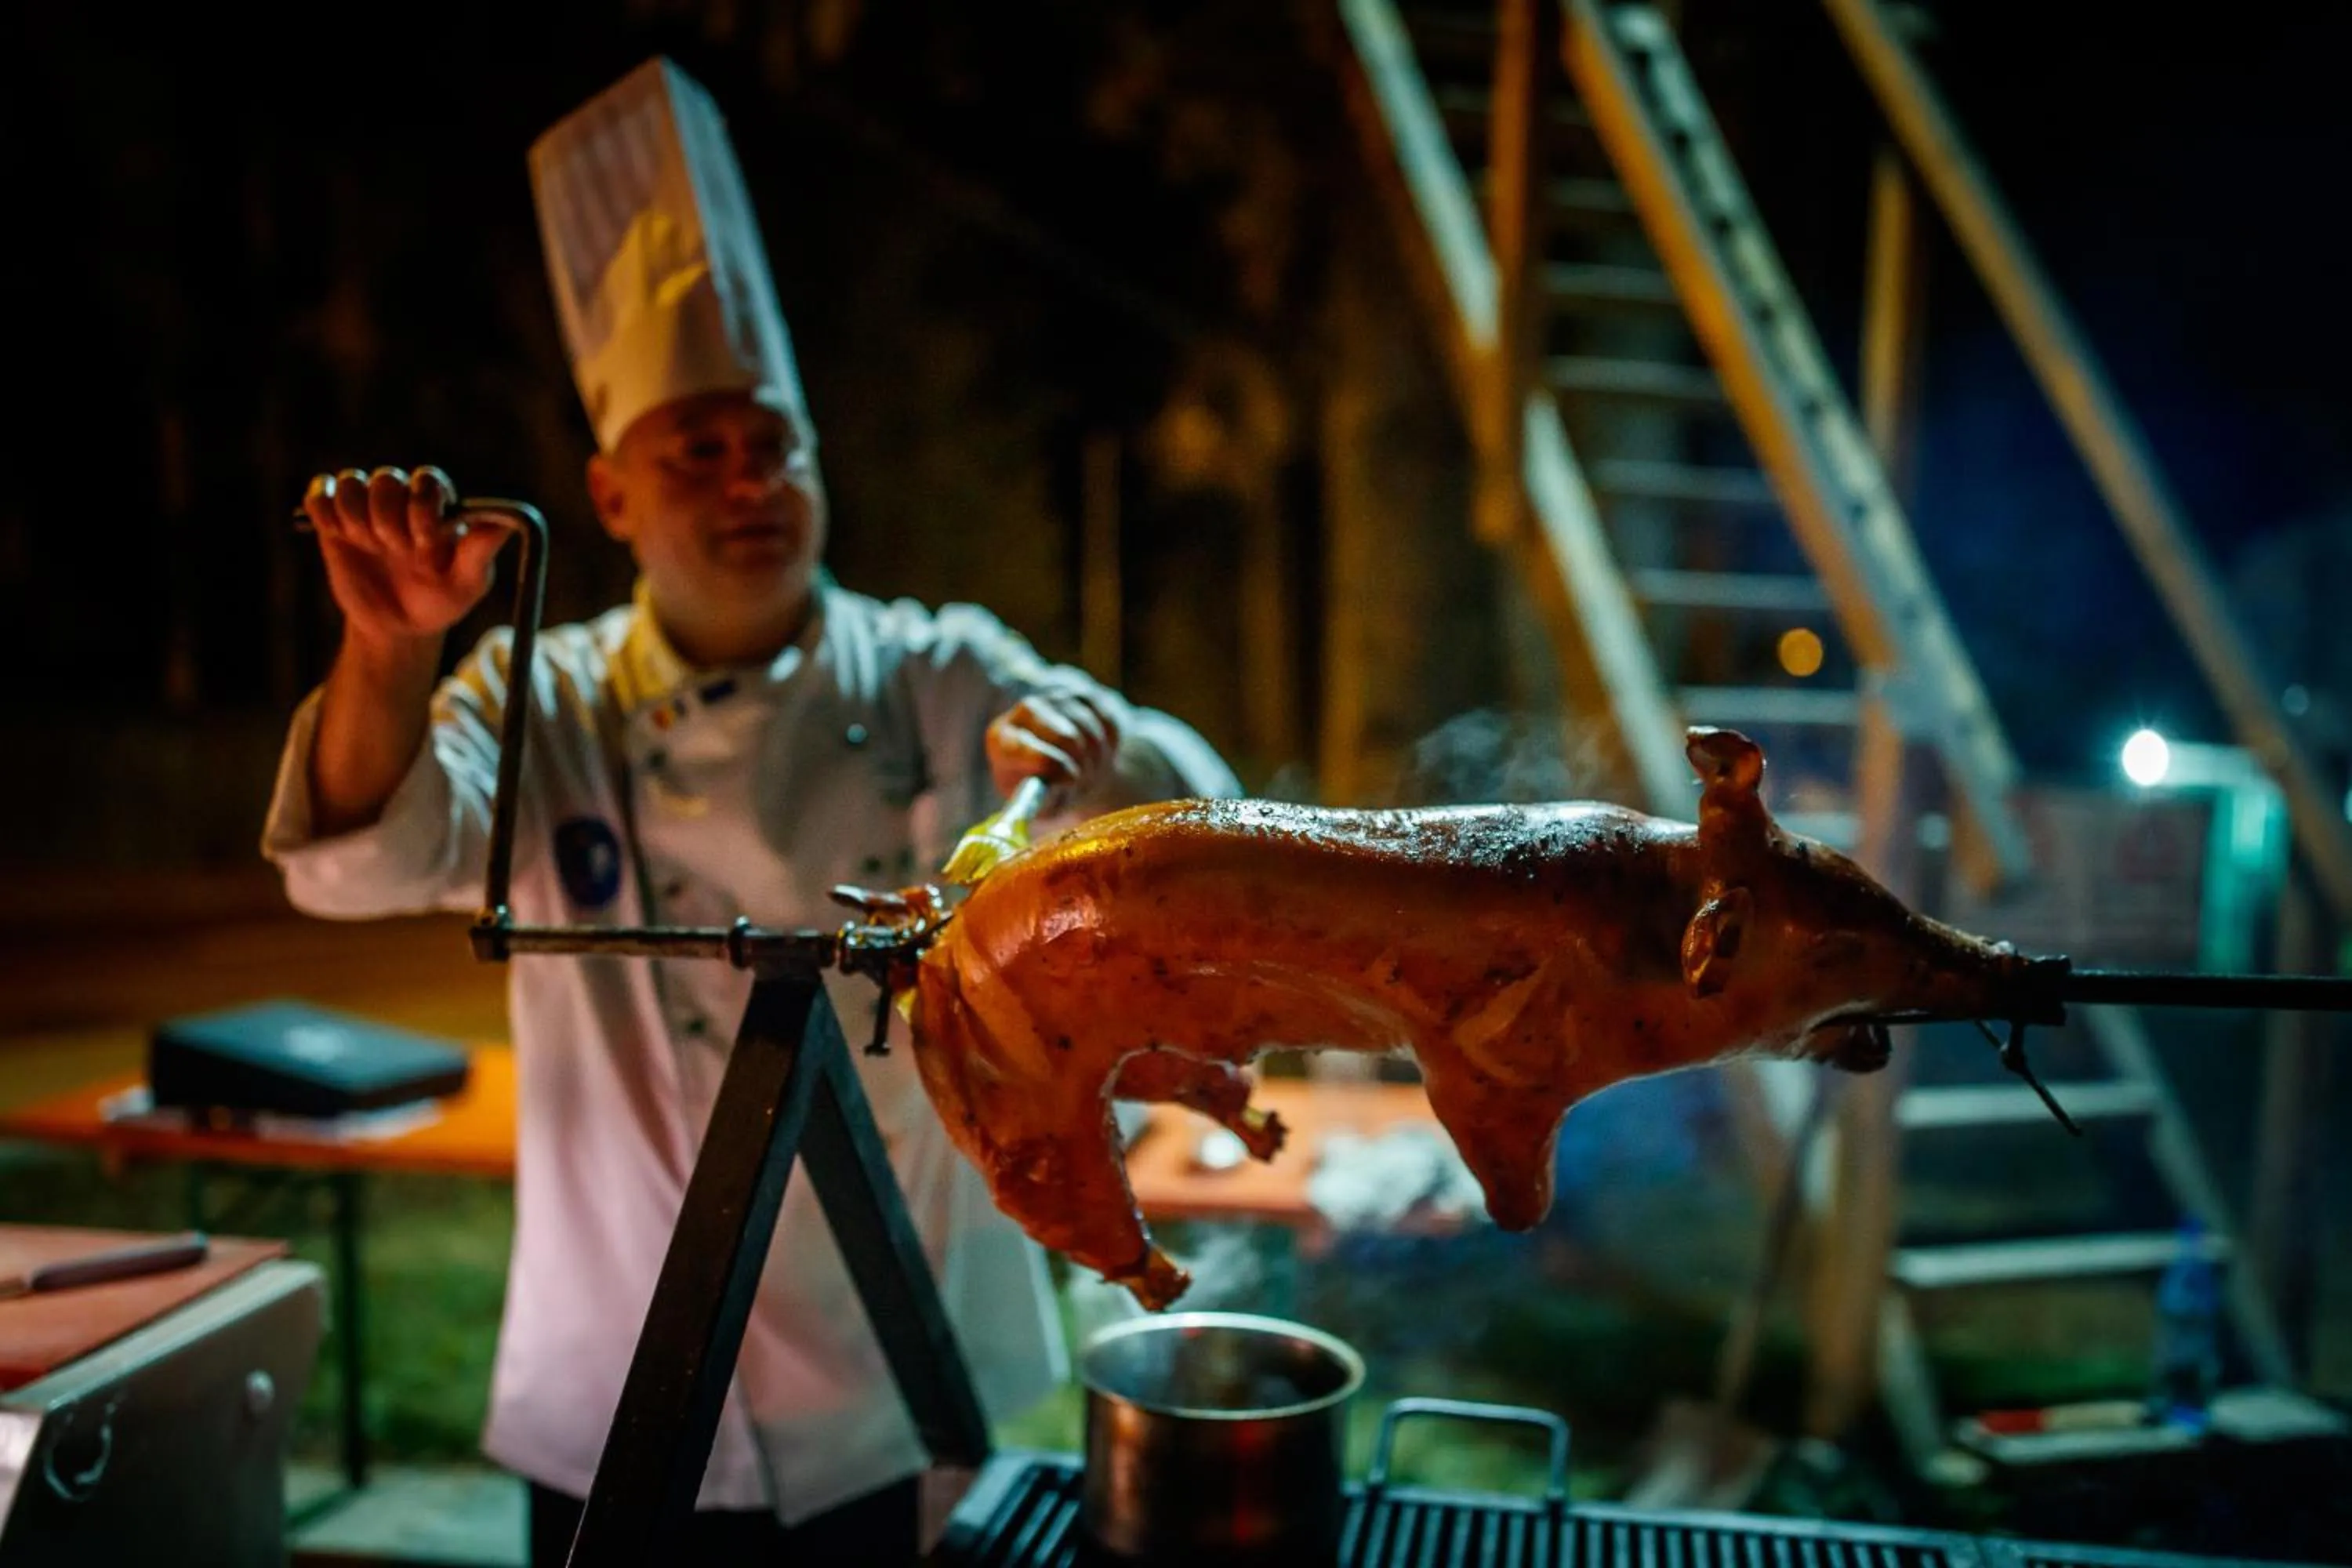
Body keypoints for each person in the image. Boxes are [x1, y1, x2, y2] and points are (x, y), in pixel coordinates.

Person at [261, 56, 1237, 1567]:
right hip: (619, 1364)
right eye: (698, 451)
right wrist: (392, 647)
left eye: (774, 441)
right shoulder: (555, 705)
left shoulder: (934, 666)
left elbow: (1195, 819)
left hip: (895, 1363)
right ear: (608, 494)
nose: (748, 481)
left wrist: (1100, 758)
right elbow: (355, 864)